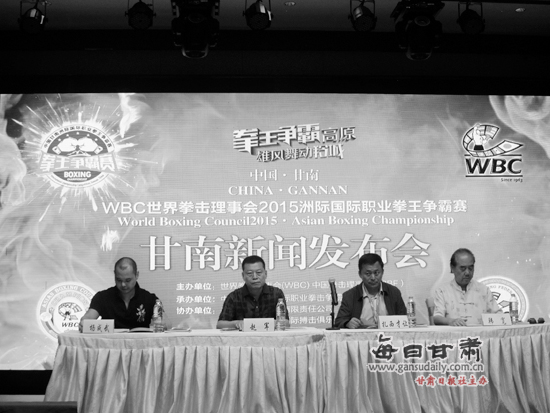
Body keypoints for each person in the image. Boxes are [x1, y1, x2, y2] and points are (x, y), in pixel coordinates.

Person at [79, 257, 160, 330]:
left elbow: (164, 323)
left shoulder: (150, 299)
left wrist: (160, 324)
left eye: (128, 280)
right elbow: (89, 317)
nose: (123, 284)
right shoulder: (102, 297)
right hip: (111, 341)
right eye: (119, 280)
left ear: (137, 275)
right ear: (114, 275)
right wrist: (84, 323)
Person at [335, 253, 407, 328]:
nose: (373, 278)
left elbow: (404, 319)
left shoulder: (394, 292)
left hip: (388, 334)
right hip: (362, 334)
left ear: (382, 272)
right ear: (360, 274)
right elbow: (339, 321)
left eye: (376, 273)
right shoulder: (350, 295)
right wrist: (347, 323)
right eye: (368, 273)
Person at [216, 255, 289, 330]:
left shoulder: (276, 294)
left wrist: (275, 323)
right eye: (249, 273)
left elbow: (286, 323)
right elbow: (220, 324)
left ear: (265, 274)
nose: (255, 277)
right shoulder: (234, 297)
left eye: (259, 272)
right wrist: (237, 323)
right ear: (243, 276)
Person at [433, 248, 501, 326]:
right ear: (452, 268)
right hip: (454, 333)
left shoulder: (484, 290)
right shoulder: (442, 291)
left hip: (479, 333)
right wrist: (450, 321)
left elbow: (499, 315)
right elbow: (437, 318)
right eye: (463, 268)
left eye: (470, 268)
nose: (467, 272)